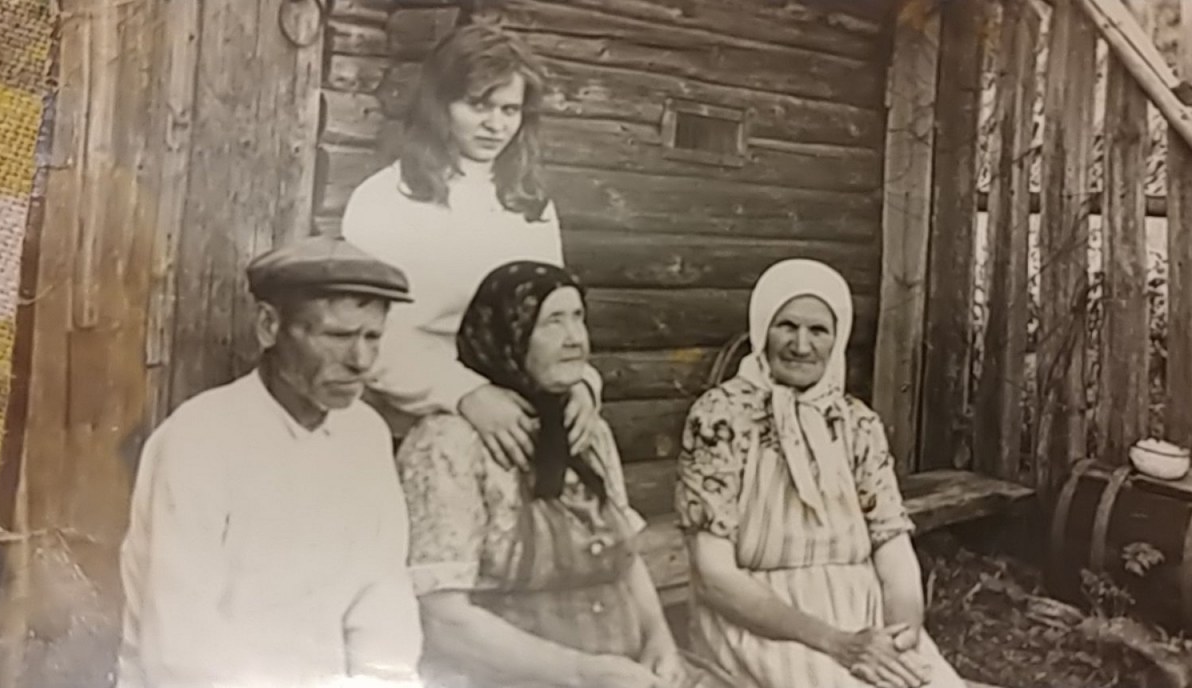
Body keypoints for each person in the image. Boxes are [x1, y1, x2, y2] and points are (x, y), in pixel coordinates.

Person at [395, 261, 732, 688]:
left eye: (578, 318)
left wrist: (659, 643)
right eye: (553, 321)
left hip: (623, 673)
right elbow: (443, 620)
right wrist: (580, 673)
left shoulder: (584, 429)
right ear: (509, 336)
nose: (574, 338)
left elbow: (627, 562)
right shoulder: (448, 443)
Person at [116, 236, 423, 688]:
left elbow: (382, 600)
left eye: (372, 337)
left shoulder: (365, 435)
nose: (360, 361)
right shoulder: (200, 438)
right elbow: (180, 644)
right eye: (337, 336)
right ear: (269, 326)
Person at [675, 259, 966, 688]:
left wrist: (901, 640)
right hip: (764, 623)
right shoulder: (720, 416)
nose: (801, 345)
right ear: (763, 330)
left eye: (818, 330)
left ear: (837, 337)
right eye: (786, 326)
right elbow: (714, 575)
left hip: (862, 613)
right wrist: (836, 643)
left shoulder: (857, 423)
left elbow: (893, 547)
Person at [341, 22, 601, 469]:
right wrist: (463, 392)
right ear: (440, 104)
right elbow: (365, 331)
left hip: (513, 423)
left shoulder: (529, 205)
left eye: (510, 109)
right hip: (406, 424)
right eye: (478, 105)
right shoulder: (385, 199)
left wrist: (578, 382)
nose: (496, 125)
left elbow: (549, 316)